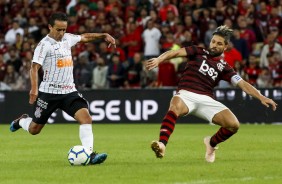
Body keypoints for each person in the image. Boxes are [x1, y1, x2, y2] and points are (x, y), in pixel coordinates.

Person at [145, 25, 278, 163]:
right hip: (186, 94)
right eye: (213, 41)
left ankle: (211, 144)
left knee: (234, 125)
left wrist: (261, 96)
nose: (214, 45)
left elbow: (242, 83)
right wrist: (159, 59)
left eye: (219, 43)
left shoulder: (224, 67)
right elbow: (175, 53)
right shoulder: (197, 51)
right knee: (175, 105)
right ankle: (162, 144)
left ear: (225, 47)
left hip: (206, 99)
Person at [10, 12, 116, 165]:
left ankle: (90, 154)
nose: (61, 33)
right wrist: (34, 89)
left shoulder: (67, 38)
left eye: (64, 29)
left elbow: (85, 37)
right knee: (34, 129)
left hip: (68, 92)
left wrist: (103, 35)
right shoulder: (43, 45)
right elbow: (33, 68)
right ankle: (21, 121)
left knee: (86, 118)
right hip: (49, 93)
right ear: (50, 27)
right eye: (58, 29)